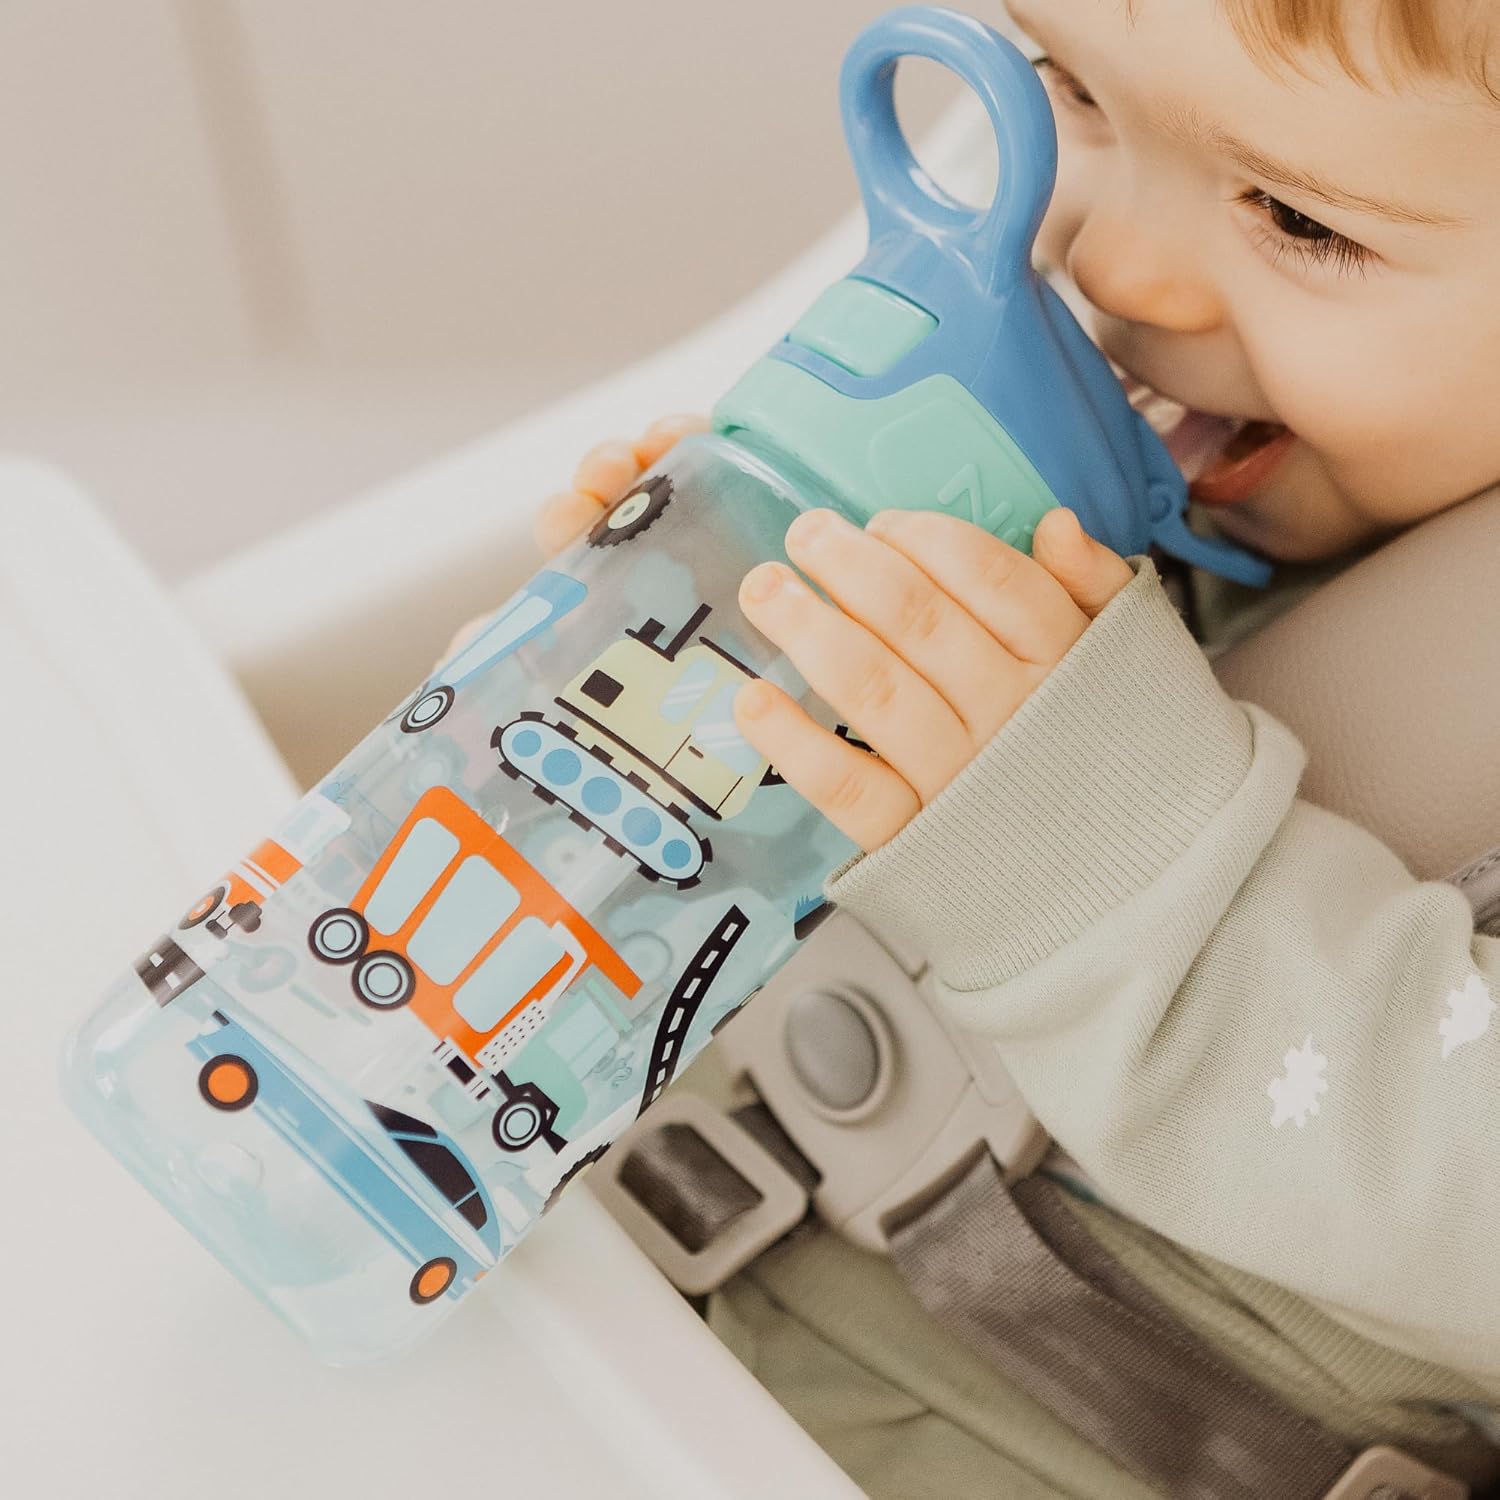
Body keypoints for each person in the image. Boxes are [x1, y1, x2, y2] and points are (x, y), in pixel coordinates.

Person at [450, 1, 1500, 1493]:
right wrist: (722, 650)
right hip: (585, 1282)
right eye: (1075, 93)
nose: (1110, 264)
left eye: (1298, 218)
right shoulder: (1202, 477)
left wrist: (1103, 866)